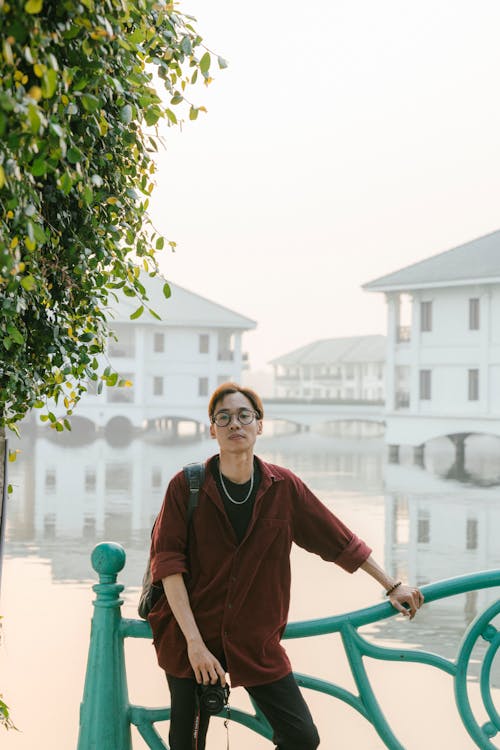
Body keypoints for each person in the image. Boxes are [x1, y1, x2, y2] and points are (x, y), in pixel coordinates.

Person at [149, 382, 424, 750]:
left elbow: (339, 540)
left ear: (259, 425)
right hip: (191, 641)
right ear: (211, 429)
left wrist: (392, 585)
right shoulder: (186, 487)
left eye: (244, 415)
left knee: (301, 737)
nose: (235, 425)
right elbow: (167, 565)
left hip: (255, 641)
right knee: (187, 744)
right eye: (224, 417)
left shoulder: (283, 487)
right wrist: (195, 645)